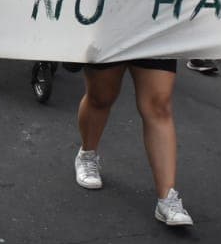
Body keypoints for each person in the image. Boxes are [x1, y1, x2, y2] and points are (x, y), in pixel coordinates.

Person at [74, 57, 194, 227]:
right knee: (100, 98)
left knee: (158, 106)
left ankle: (167, 198)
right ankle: (86, 155)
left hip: (154, 32)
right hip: (112, 32)